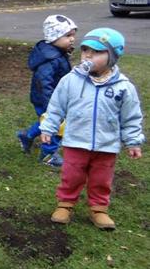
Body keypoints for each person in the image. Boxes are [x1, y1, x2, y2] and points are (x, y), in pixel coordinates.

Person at [40, 28, 144, 230]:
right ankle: (65, 204)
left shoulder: (123, 87)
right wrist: (48, 127)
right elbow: (56, 106)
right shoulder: (71, 80)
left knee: (101, 179)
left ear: (112, 56)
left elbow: (131, 116)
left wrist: (133, 141)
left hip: (106, 145)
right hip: (75, 141)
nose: (88, 55)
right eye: (85, 50)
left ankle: (99, 209)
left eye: (96, 52)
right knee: (72, 175)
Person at [17, 14, 77, 167]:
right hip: (47, 99)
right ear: (54, 37)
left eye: (73, 35)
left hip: (55, 97)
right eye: (67, 36)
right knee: (57, 124)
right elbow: (44, 83)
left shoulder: (56, 52)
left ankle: (27, 135)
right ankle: (48, 154)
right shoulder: (50, 59)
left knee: (46, 121)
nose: (72, 39)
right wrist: (51, 105)